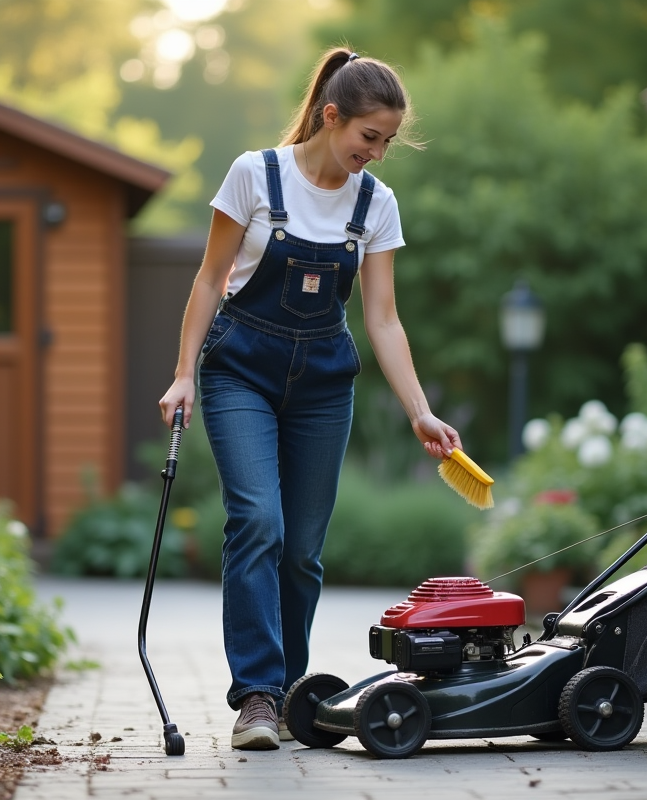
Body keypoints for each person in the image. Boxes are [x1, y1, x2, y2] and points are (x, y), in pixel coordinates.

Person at [158, 47, 463, 751]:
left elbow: (383, 318)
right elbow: (209, 281)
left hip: (324, 383)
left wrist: (419, 409)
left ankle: (293, 694)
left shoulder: (375, 204)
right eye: (369, 137)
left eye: (387, 141)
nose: (378, 154)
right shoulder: (255, 176)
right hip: (240, 371)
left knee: (302, 552)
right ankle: (257, 695)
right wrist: (182, 374)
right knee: (258, 520)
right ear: (332, 117)